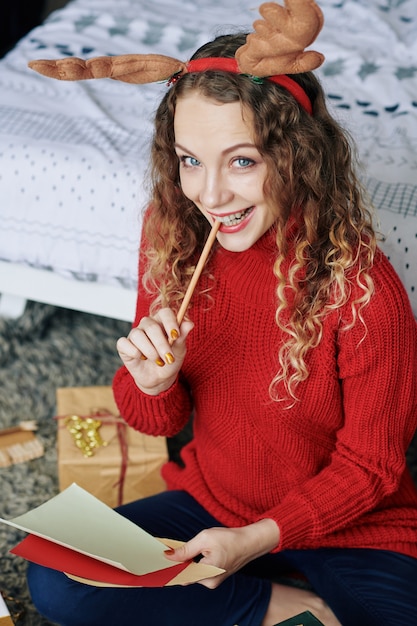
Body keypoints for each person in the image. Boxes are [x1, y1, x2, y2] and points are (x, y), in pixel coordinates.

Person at [27, 1, 417, 624]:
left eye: (242, 160)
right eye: (190, 160)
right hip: (211, 505)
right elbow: (154, 418)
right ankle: (279, 605)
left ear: (299, 157)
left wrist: (259, 538)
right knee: (55, 578)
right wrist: (154, 382)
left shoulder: (368, 291)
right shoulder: (173, 236)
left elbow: (372, 467)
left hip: (350, 528)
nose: (209, 195)